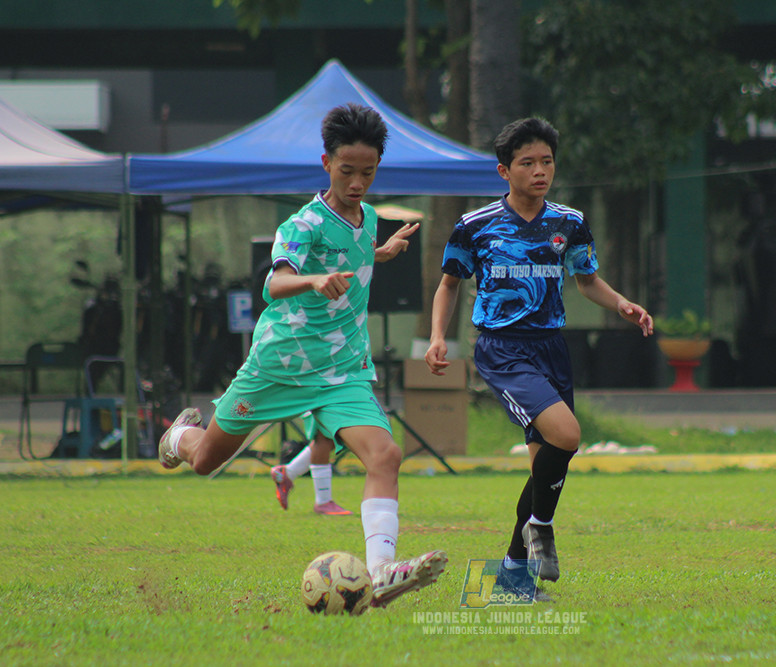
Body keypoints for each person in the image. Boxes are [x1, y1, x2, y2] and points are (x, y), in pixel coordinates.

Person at [159, 103, 446, 608]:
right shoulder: (303, 222)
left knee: (386, 454)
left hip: (342, 371)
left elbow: (352, 254)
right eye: (347, 171)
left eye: (368, 172)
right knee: (205, 462)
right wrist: (312, 279)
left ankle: (381, 574)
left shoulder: (371, 217)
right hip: (281, 364)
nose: (358, 182)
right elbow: (274, 280)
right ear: (326, 163)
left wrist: (381, 253)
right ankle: (179, 434)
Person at [425, 117, 652, 597]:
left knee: (545, 467)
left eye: (546, 161)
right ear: (504, 171)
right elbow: (449, 284)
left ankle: (510, 574)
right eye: (527, 163)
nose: (539, 171)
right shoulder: (475, 225)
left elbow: (587, 280)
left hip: (552, 347)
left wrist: (622, 304)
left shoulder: (568, 223)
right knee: (567, 435)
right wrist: (437, 337)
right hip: (502, 349)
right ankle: (541, 530)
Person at [270, 415, 352, 516]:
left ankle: (288, 472)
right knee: (324, 438)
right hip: (323, 400)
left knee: (333, 437)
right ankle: (323, 502)